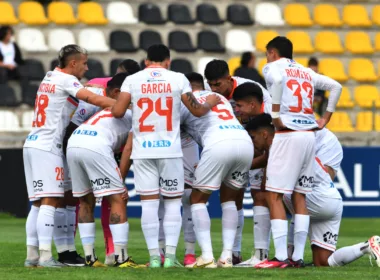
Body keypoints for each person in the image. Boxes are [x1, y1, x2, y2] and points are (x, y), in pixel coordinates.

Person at [111, 44, 220, 268]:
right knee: (172, 204)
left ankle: (154, 257)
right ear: (168, 61)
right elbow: (198, 110)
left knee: (149, 205)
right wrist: (210, 101)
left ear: (146, 61)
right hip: (170, 150)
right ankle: (170, 258)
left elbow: (118, 112)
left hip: (143, 151)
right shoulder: (178, 78)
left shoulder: (132, 80)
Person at [23, 44, 116, 268]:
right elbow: (92, 99)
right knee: (51, 200)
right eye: (84, 63)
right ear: (73, 63)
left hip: (33, 143)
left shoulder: (49, 77)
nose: (86, 68)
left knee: (37, 203)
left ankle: (33, 254)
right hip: (48, 146)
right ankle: (45, 257)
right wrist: (120, 104)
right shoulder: (66, 80)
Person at [246, 113, 380, 268]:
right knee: (324, 262)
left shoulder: (281, 147)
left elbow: (268, 183)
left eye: (253, 137)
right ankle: (367, 246)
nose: (253, 143)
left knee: (270, 195)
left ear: (264, 134)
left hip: (315, 200)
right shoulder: (294, 143)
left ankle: (283, 256)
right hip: (331, 201)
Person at [255, 36, 342, 269]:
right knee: (300, 195)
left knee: (274, 194)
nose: (266, 58)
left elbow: (276, 79)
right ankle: (297, 257)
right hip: (309, 135)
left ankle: (282, 257)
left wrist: (274, 115)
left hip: (287, 133)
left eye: (267, 54)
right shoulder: (306, 72)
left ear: (273, 52)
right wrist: (326, 118)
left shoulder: (273, 66)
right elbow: (336, 86)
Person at [67, 73, 143, 268]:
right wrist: (121, 181)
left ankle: (90, 258)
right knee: (118, 199)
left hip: (75, 142)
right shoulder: (135, 114)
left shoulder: (106, 108)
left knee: (85, 201)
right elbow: (127, 149)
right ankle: (121, 258)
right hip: (96, 145)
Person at [181, 72, 253, 268]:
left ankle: (206, 257)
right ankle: (227, 256)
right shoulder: (219, 97)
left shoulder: (184, 102)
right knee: (230, 199)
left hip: (218, 143)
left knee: (197, 199)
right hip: (243, 142)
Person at [204, 59, 272, 264]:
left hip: (257, 144)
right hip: (232, 144)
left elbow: (267, 123)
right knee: (234, 197)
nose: (214, 89)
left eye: (218, 84)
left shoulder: (252, 90)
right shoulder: (212, 95)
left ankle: (262, 253)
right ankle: (234, 252)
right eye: (211, 84)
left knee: (260, 194)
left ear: (229, 78)